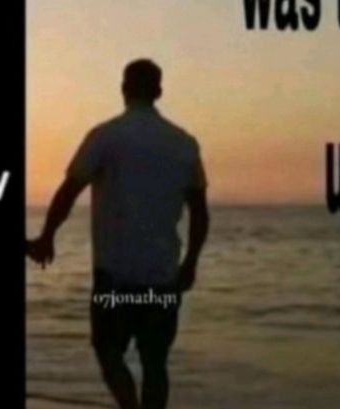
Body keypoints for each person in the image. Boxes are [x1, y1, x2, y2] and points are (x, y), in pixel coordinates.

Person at [27, 58, 210, 409]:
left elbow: (69, 191)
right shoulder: (184, 143)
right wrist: (190, 263)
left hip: (115, 277)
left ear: (124, 89)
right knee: (155, 362)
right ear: (158, 91)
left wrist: (47, 235)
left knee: (109, 352)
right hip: (162, 277)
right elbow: (200, 213)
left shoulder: (106, 136)